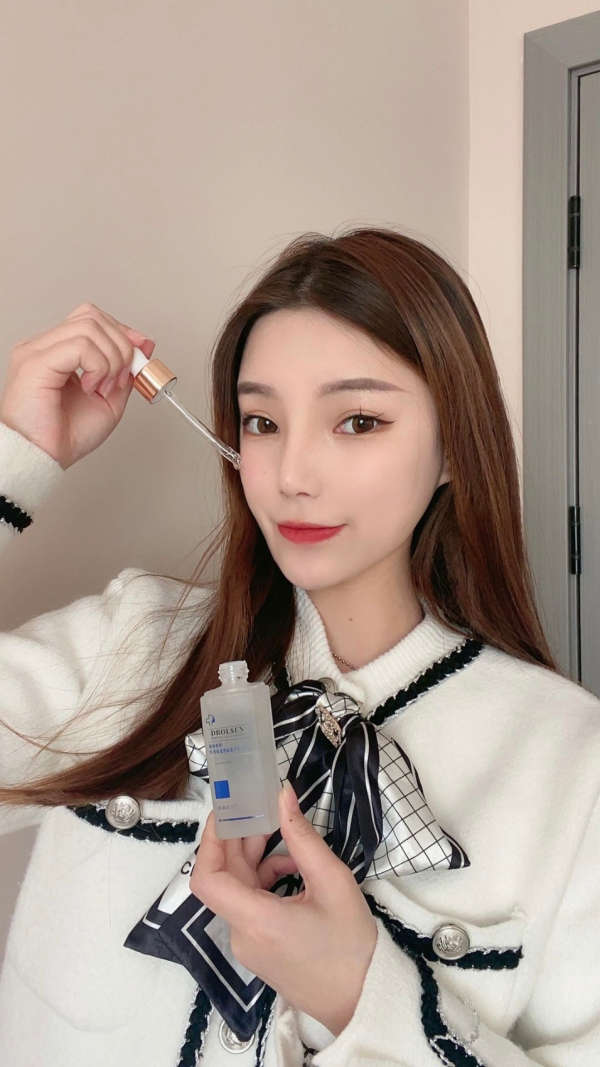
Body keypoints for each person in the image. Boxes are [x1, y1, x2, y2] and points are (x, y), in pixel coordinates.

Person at [0, 226, 598, 1067]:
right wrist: (15, 457)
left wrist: (359, 993)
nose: (291, 474)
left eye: (358, 420)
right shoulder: (128, 646)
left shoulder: (571, 758)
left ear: (453, 448)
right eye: (262, 421)